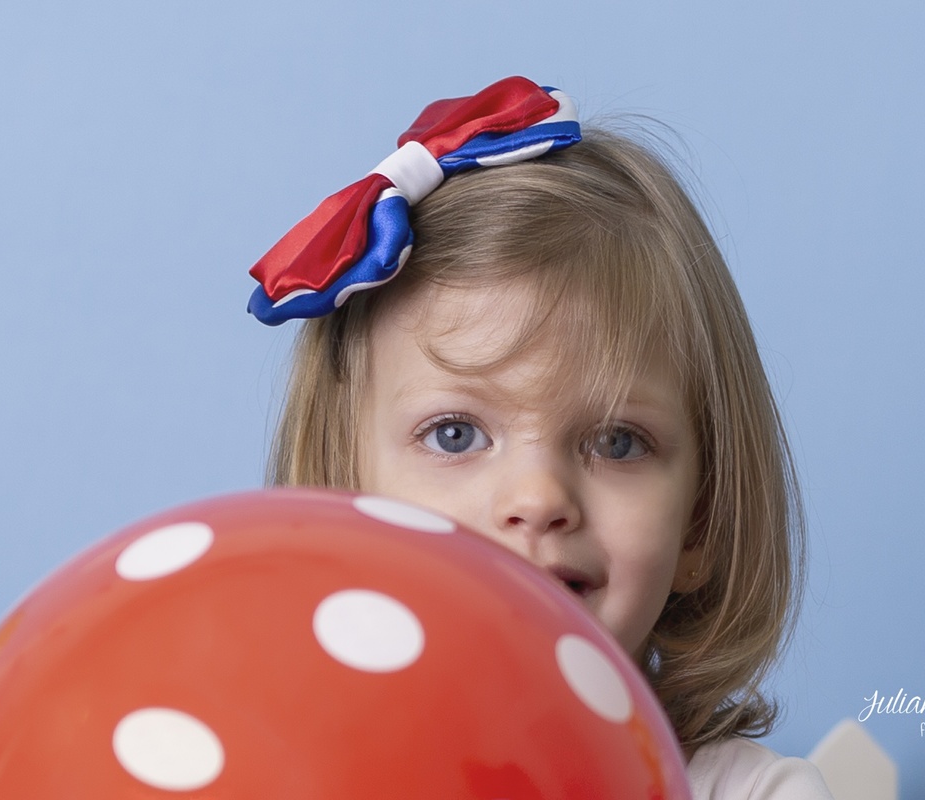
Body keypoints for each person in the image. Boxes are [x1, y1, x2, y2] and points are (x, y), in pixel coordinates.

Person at [249, 76, 833, 799]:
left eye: (617, 441)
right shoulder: (292, 777)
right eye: (456, 434)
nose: (537, 497)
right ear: (344, 499)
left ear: (700, 521)